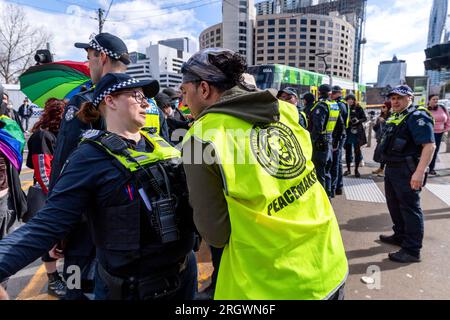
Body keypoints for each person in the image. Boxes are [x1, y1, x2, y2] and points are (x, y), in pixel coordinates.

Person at [0, 73, 198, 300]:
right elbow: (45, 225)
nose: (146, 103)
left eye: (146, 97)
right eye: (136, 95)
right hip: (134, 290)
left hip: (184, 277)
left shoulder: (161, 143)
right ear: (110, 101)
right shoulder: (89, 157)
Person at [181, 48, 348, 300]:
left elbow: (215, 233)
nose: (184, 103)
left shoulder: (201, 137)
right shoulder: (286, 111)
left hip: (270, 283)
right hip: (328, 261)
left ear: (203, 89)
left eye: (185, 93)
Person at [48, 32, 131, 300]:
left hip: (87, 222)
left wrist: (56, 226)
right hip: (137, 222)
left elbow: (63, 164)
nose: (88, 65)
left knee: (76, 289)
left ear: (102, 57)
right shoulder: (147, 102)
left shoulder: (84, 101)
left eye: (90, 58)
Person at [378, 85, 436, 263]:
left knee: (410, 209)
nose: (395, 101)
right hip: (393, 168)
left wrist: (419, 172)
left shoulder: (417, 116)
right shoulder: (398, 115)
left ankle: (412, 250)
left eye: (399, 98)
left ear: (410, 98)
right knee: (394, 205)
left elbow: (429, 145)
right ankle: (400, 235)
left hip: (407, 170)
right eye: (393, 98)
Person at [26, 98, 67, 298]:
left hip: (57, 193)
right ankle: (53, 279)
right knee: (47, 238)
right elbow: (43, 171)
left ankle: (63, 278)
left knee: (60, 240)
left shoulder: (60, 135)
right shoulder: (43, 136)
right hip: (47, 194)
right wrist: (56, 197)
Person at [307, 84, 342, 197]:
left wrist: (311, 142)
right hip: (330, 142)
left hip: (320, 144)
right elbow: (341, 126)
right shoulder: (334, 105)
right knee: (327, 172)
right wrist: (336, 142)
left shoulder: (321, 106)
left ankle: (321, 199)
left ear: (319, 92)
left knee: (319, 173)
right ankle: (328, 195)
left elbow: (318, 127)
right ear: (330, 93)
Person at [330, 86, 350, 197]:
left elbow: (339, 125)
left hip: (338, 136)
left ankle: (335, 187)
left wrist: (336, 141)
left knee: (336, 163)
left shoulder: (339, 104)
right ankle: (338, 186)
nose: (331, 95)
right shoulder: (343, 103)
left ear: (338, 93)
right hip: (341, 135)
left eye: (333, 93)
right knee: (337, 162)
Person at [343, 94, 367, 178]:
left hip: (357, 132)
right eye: (348, 99)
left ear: (354, 100)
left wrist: (357, 121)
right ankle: (348, 169)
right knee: (347, 152)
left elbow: (364, 118)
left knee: (357, 151)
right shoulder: (344, 107)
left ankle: (356, 170)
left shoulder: (358, 108)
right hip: (348, 132)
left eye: (352, 99)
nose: (350, 101)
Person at [427, 94, 450, 175]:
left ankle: (431, 168)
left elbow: (448, 119)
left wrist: (446, 129)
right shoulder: (425, 109)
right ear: (429, 100)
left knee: (435, 151)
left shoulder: (442, 108)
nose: (436, 101)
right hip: (428, 133)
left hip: (439, 133)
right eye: (434, 99)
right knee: (426, 150)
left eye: (437, 99)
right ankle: (424, 167)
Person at [372, 101, 392, 177]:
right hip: (380, 138)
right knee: (380, 153)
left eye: (384, 107)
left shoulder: (391, 116)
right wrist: (375, 124)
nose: (382, 108)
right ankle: (381, 168)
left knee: (385, 154)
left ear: (389, 108)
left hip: (387, 138)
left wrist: (384, 121)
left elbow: (390, 126)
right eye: (382, 107)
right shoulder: (381, 116)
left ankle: (385, 170)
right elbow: (376, 128)